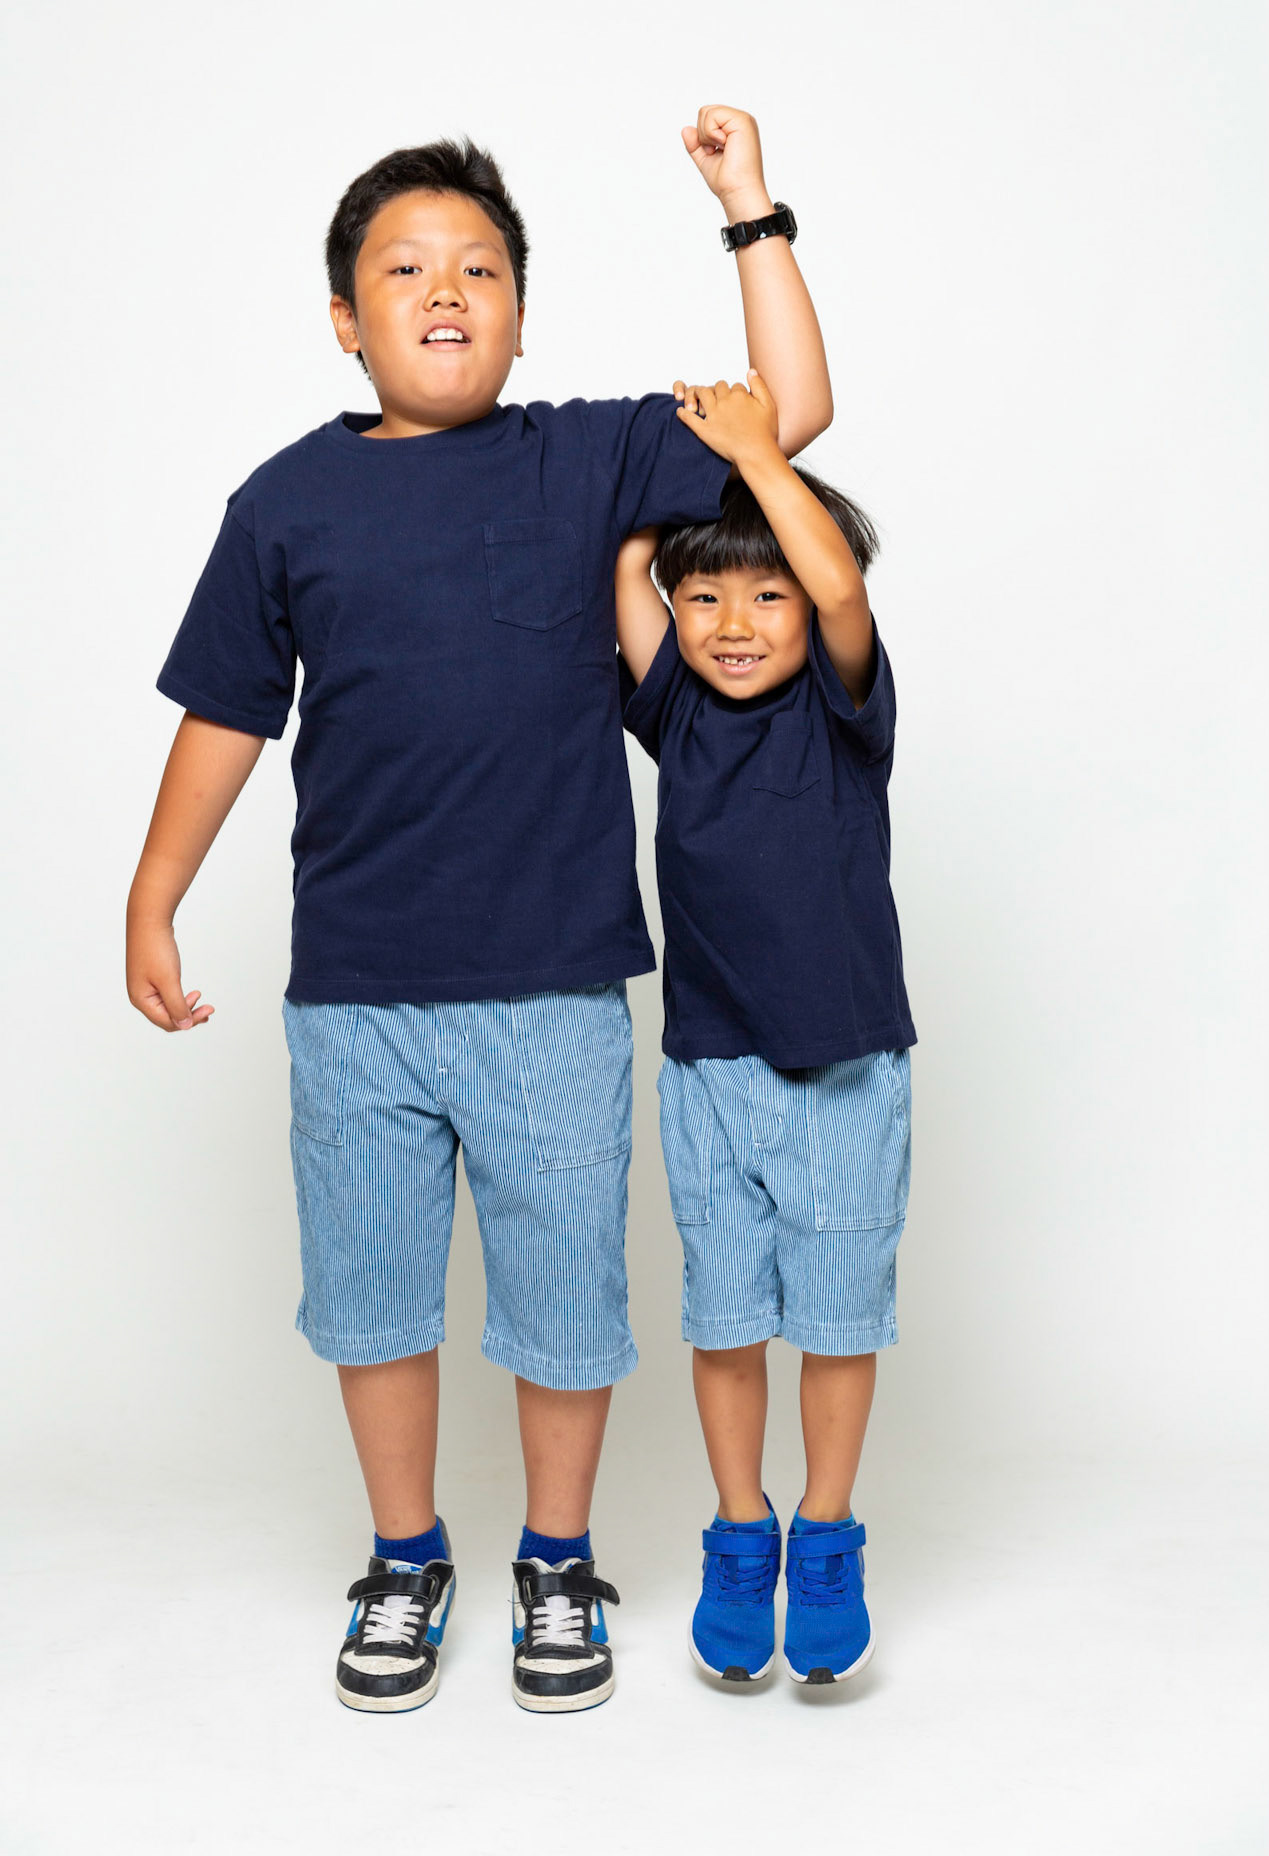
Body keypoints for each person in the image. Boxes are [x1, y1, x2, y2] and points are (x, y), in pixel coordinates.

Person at [125, 110, 834, 1712]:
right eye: (405, 270)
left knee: (565, 1302)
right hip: (356, 993)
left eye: (479, 269)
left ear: (520, 313)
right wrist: (153, 898)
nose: (444, 291)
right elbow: (227, 711)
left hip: (553, 986)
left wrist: (748, 210)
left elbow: (787, 410)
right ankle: (404, 1556)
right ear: (343, 317)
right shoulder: (283, 503)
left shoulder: (585, 457)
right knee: (373, 1301)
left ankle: (556, 1562)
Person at [614, 372, 914, 1688]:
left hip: (845, 1068)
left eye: (764, 595)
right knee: (726, 1321)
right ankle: (741, 1531)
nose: (732, 624)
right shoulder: (674, 706)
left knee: (838, 1324)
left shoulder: (840, 708)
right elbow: (622, 567)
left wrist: (759, 453)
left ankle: (826, 1532)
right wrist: (677, 479)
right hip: (709, 1071)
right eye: (705, 598)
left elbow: (839, 589)